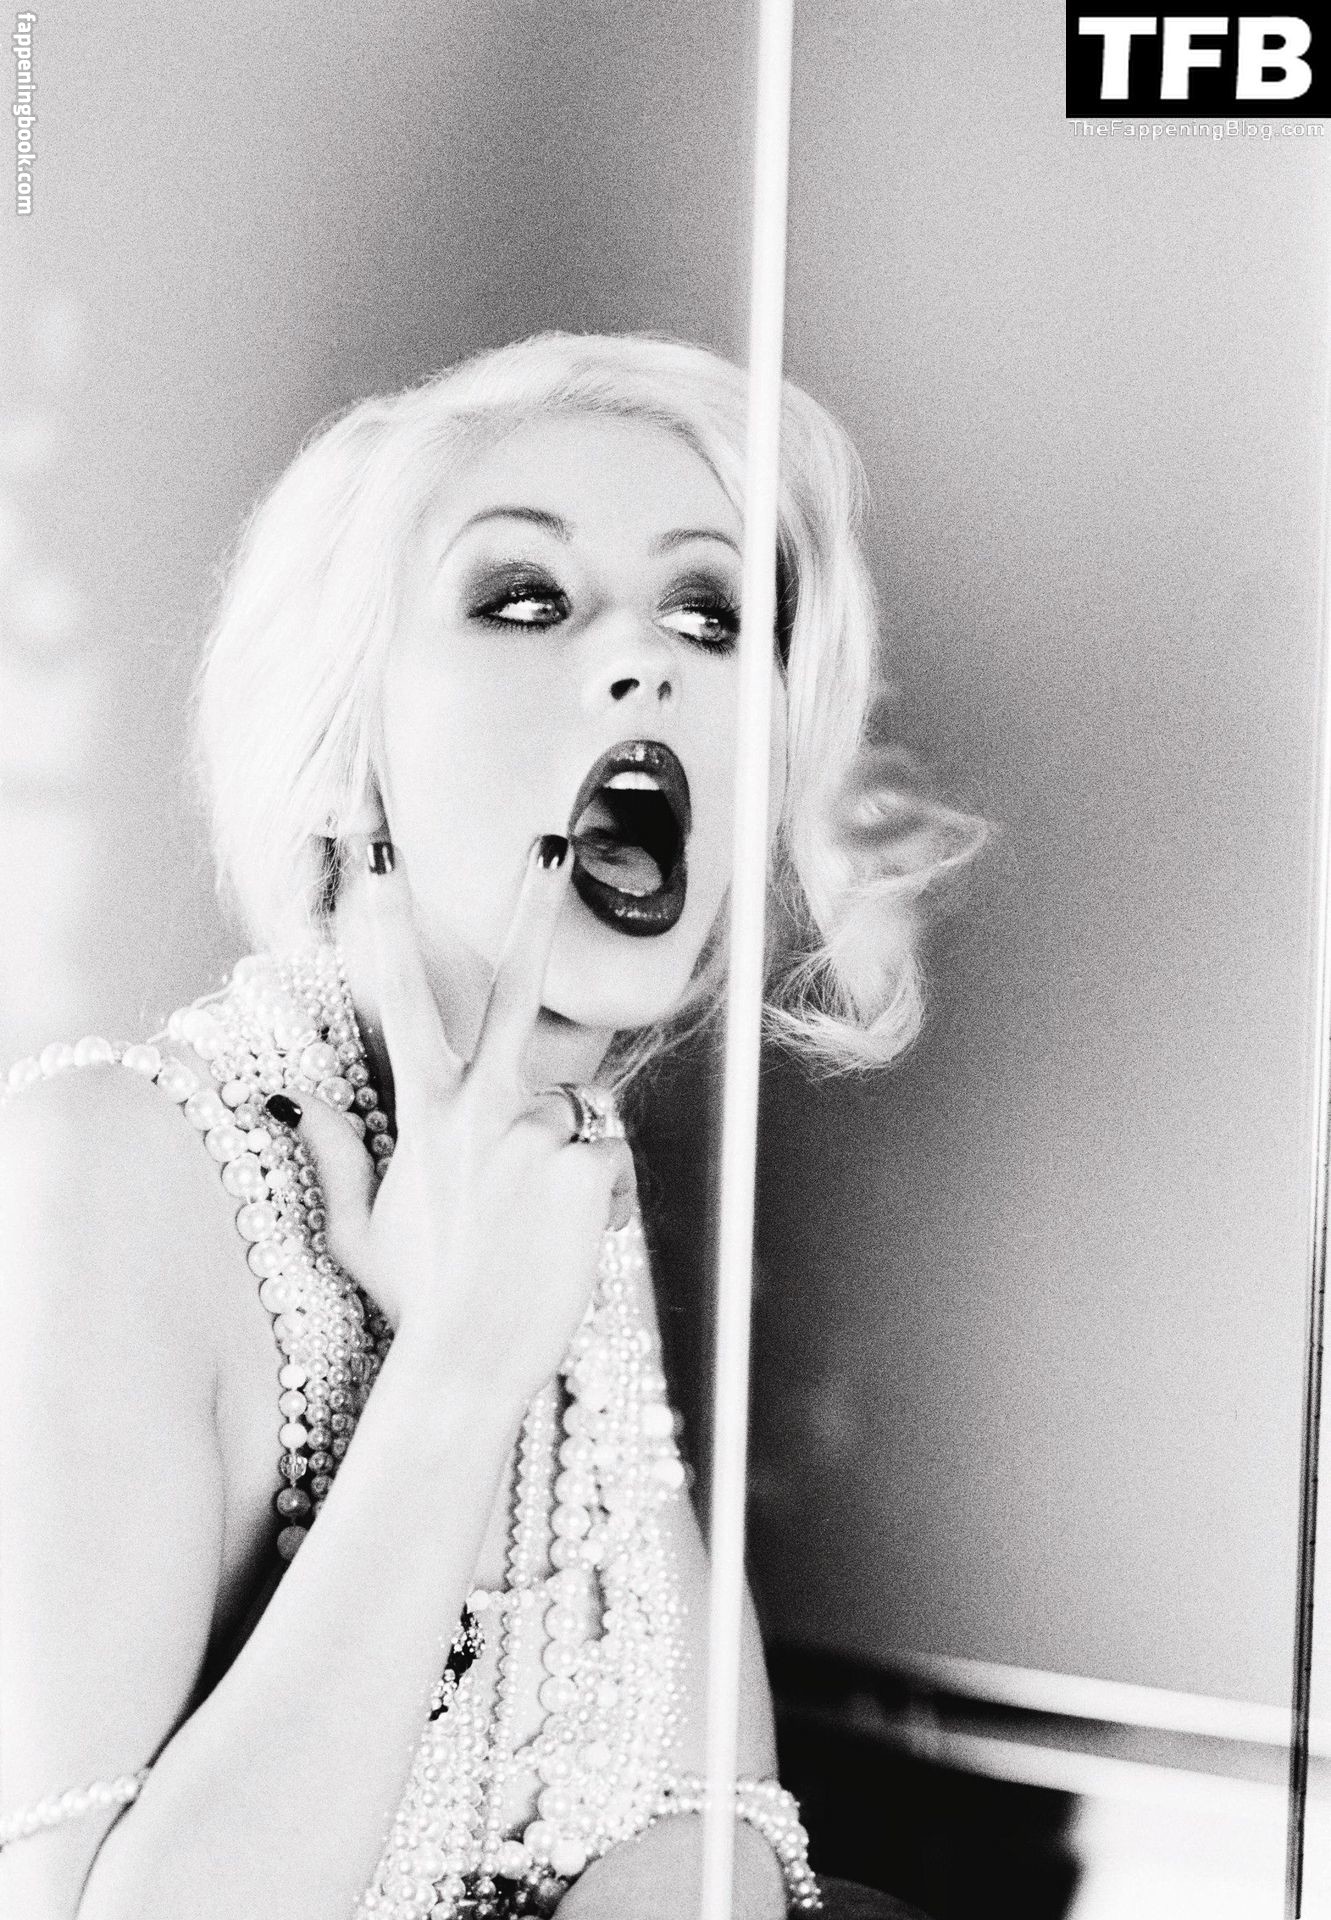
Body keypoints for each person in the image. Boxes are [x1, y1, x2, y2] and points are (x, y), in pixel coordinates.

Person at [0, 332, 983, 1920]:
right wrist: (455, 1373)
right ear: (350, 756)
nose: (647, 660)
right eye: (525, 599)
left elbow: (711, 1838)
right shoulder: (102, 1172)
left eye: (711, 613)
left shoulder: (557, 1175)